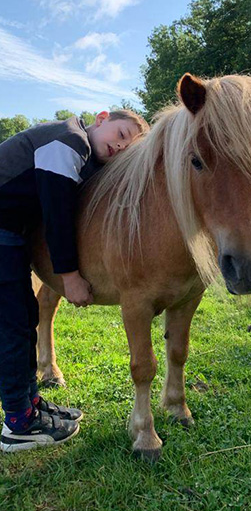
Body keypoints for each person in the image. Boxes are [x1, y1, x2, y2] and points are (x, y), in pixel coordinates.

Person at [0, 109, 148, 452]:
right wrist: (69, 277)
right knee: (12, 326)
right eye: (122, 134)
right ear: (101, 118)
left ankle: (30, 405)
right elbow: (57, 212)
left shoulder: (80, 152)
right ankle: (18, 424)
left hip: (11, 231)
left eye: (129, 148)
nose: (121, 147)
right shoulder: (68, 140)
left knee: (23, 319)